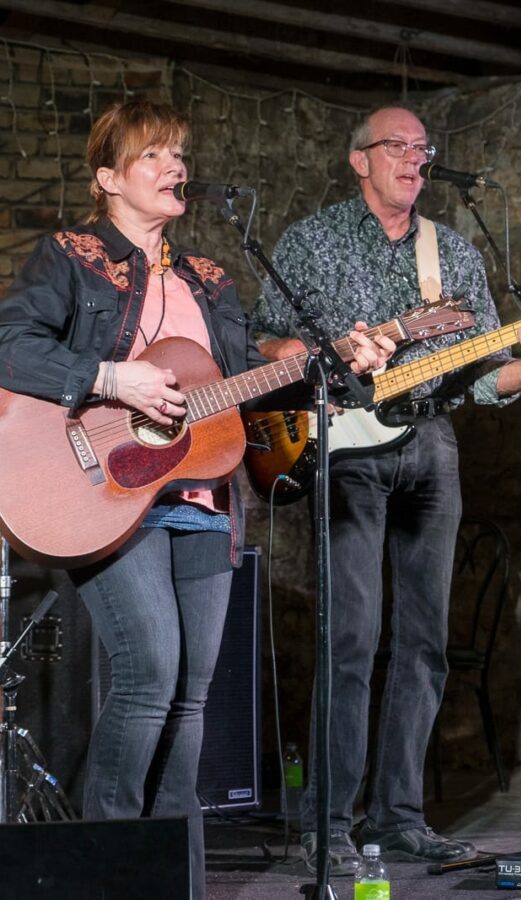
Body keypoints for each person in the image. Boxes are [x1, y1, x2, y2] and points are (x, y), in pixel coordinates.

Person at [0, 99, 392, 899]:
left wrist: (341, 360)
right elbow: (10, 343)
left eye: (179, 153)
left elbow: (242, 381)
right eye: (154, 156)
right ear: (108, 178)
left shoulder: (210, 279)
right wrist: (112, 379)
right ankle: (108, 865)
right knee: (150, 672)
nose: (176, 166)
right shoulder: (72, 258)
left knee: (194, 692)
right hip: (103, 489)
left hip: (200, 502)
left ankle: (177, 872)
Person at [253, 105, 521, 874]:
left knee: (423, 642)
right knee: (352, 638)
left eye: (423, 148)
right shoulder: (311, 241)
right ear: (359, 159)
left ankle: (397, 818)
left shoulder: (452, 253)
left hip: (431, 443)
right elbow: (260, 341)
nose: (415, 158)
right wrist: (322, 359)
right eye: (397, 145)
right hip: (346, 447)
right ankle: (329, 823)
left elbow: (483, 375)